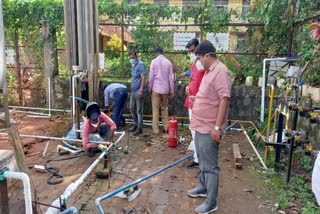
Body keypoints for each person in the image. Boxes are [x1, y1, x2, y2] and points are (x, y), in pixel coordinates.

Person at [187, 40, 232, 214]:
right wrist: (196, 100)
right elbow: (209, 96)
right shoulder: (208, 71)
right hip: (200, 125)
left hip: (209, 127)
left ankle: (211, 202)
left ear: (207, 55)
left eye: (198, 57)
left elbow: (224, 99)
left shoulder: (220, 71)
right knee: (203, 161)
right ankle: (203, 187)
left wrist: (216, 127)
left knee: (210, 166)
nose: (197, 60)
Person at [182, 38, 206, 169]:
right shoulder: (195, 63)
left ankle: (201, 160)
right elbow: (192, 77)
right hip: (191, 100)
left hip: (199, 102)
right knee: (193, 131)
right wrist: (188, 87)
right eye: (190, 52)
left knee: (199, 132)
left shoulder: (203, 64)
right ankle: (197, 158)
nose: (192, 53)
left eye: (193, 51)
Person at [148, 47, 174, 135]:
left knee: (155, 109)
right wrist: (172, 90)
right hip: (165, 89)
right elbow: (171, 78)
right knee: (165, 109)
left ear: (156, 53)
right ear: (162, 53)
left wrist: (150, 88)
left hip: (155, 88)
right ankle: (166, 128)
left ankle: (156, 130)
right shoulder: (168, 62)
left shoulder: (153, 62)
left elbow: (151, 77)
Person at [129, 50, 146, 135]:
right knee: (132, 109)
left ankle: (140, 128)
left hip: (139, 91)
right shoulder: (133, 64)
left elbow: (143, 78)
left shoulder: (141, 64)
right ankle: (135, 124)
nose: (130, 58)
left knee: (139, 110)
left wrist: (141, 90)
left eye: (131, 57)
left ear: (135, 56)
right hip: (133, 91)